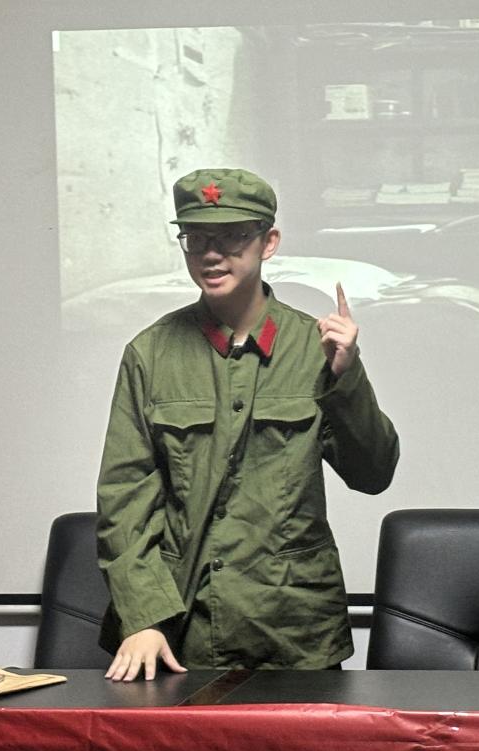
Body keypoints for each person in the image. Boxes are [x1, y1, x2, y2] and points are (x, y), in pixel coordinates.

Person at [96, 168, 399, 681]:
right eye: (196, 239)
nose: (212, 255)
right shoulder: (150, 353)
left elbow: (373, 474)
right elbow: (124, 500)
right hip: (183, 628)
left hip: (295, 628)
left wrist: (346, 377)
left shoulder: (316, 347)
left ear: (269, 242)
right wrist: (143, 617)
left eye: (233, 237)